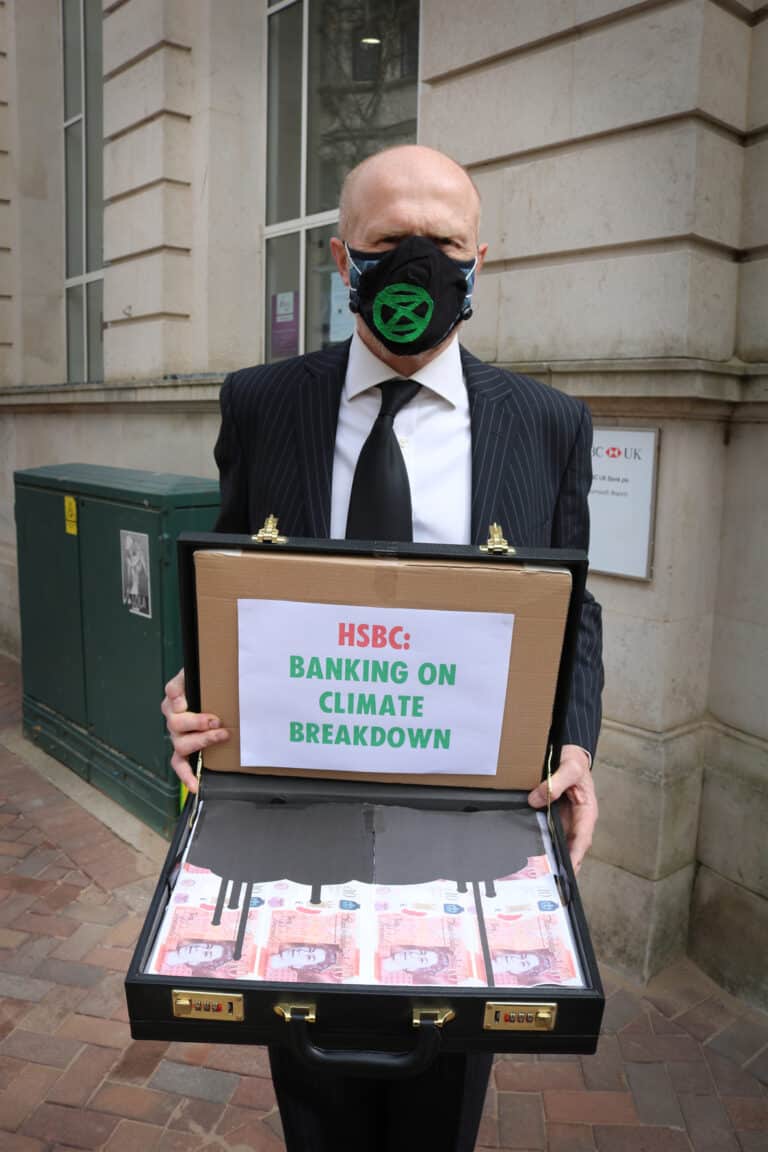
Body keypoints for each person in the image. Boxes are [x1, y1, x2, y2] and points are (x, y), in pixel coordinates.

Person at [162, 144, 603, 1152]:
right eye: (385, 242)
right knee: (315, 1102)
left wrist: (574, 743)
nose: (416, 264)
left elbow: (576, 607)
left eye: (441, 242)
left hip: (472, 836)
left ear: (479, 255)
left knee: (440, 1109)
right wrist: (193, 684)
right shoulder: (263, 403)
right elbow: (228, 584)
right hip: (292, 827)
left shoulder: (545, 427)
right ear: (340, 255)